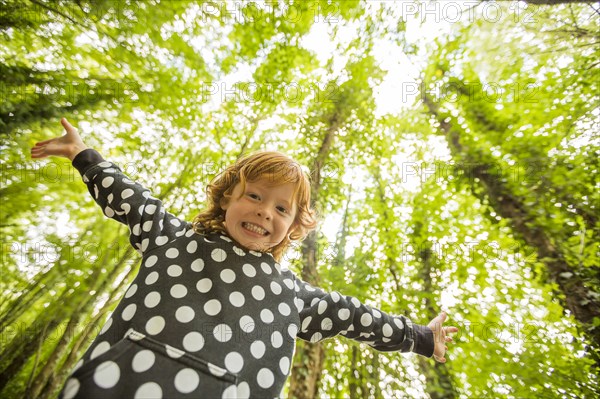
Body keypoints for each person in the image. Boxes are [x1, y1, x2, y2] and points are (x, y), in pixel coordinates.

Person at [31, 118, 458, 399]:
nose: (263, 211)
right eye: (254, 196)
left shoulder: (293, 295)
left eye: (280, 208)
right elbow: (131, 198)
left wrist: (420, 337)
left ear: (292, 228)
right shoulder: (172, 238)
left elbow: (353, 316)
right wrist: (82, 155)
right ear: (226, 199)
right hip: (122, 384)